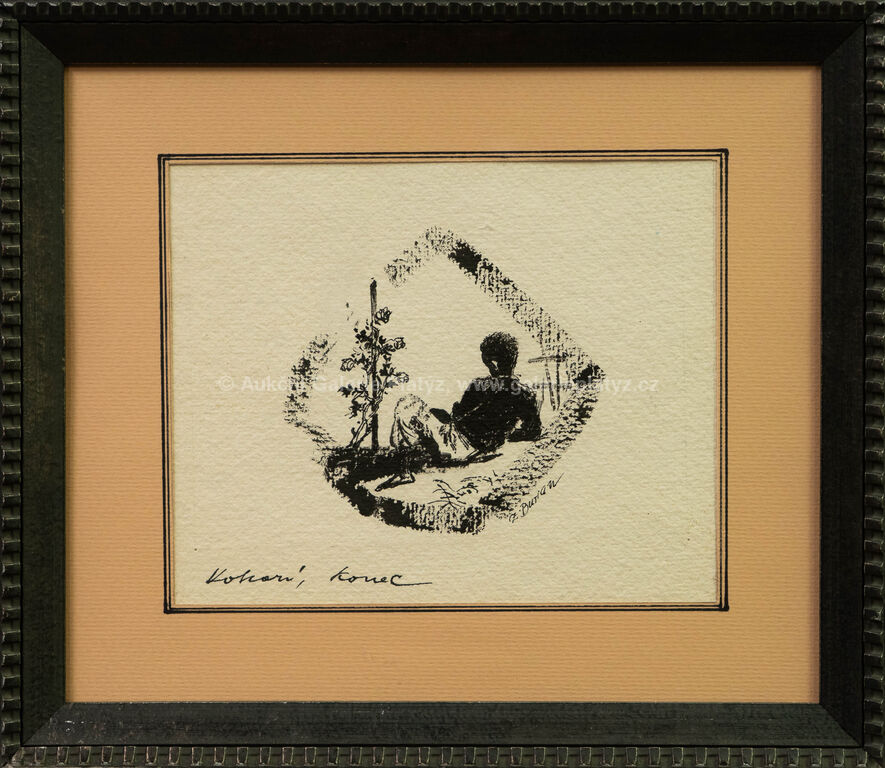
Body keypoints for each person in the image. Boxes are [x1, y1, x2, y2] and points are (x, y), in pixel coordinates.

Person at [381, 332, 541, 488]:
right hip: (485, 446)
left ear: (492, 363)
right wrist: (500, 435)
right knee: (426, 413)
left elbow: (456, 416)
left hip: (459, 443)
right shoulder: (525, 393)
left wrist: (440, 415)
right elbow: (533, 431)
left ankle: (403, 470)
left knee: (407, 404)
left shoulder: (480, 385)